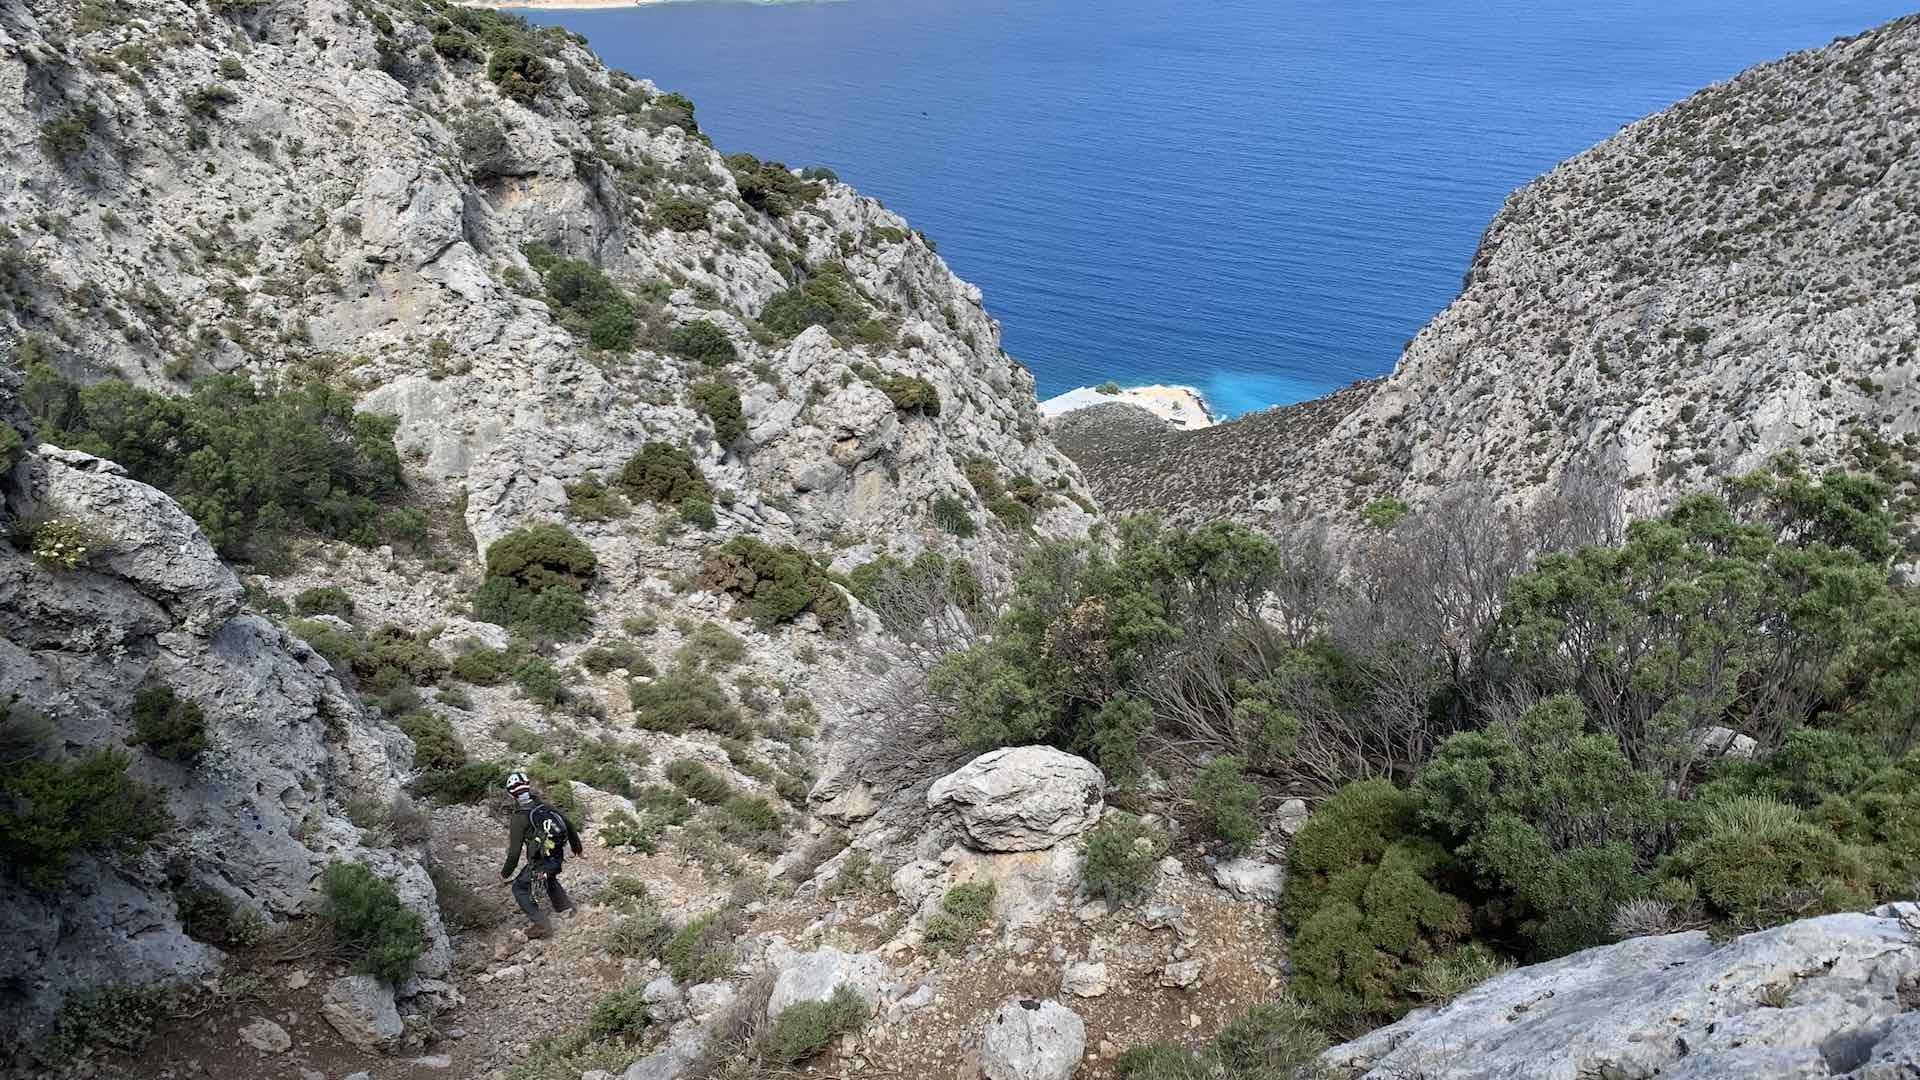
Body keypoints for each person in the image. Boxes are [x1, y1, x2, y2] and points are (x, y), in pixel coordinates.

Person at [499, 771, 582, 938]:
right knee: (548, 877)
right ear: (528, 787)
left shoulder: (519, 818)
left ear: (511, 794)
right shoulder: (545, 806)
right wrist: (577, 848)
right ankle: (567, 910)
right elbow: (569, 825)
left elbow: (514, 853)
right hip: (557, 856)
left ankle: (541, 925)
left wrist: (505, 873)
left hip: (540, 861)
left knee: (519, 888)